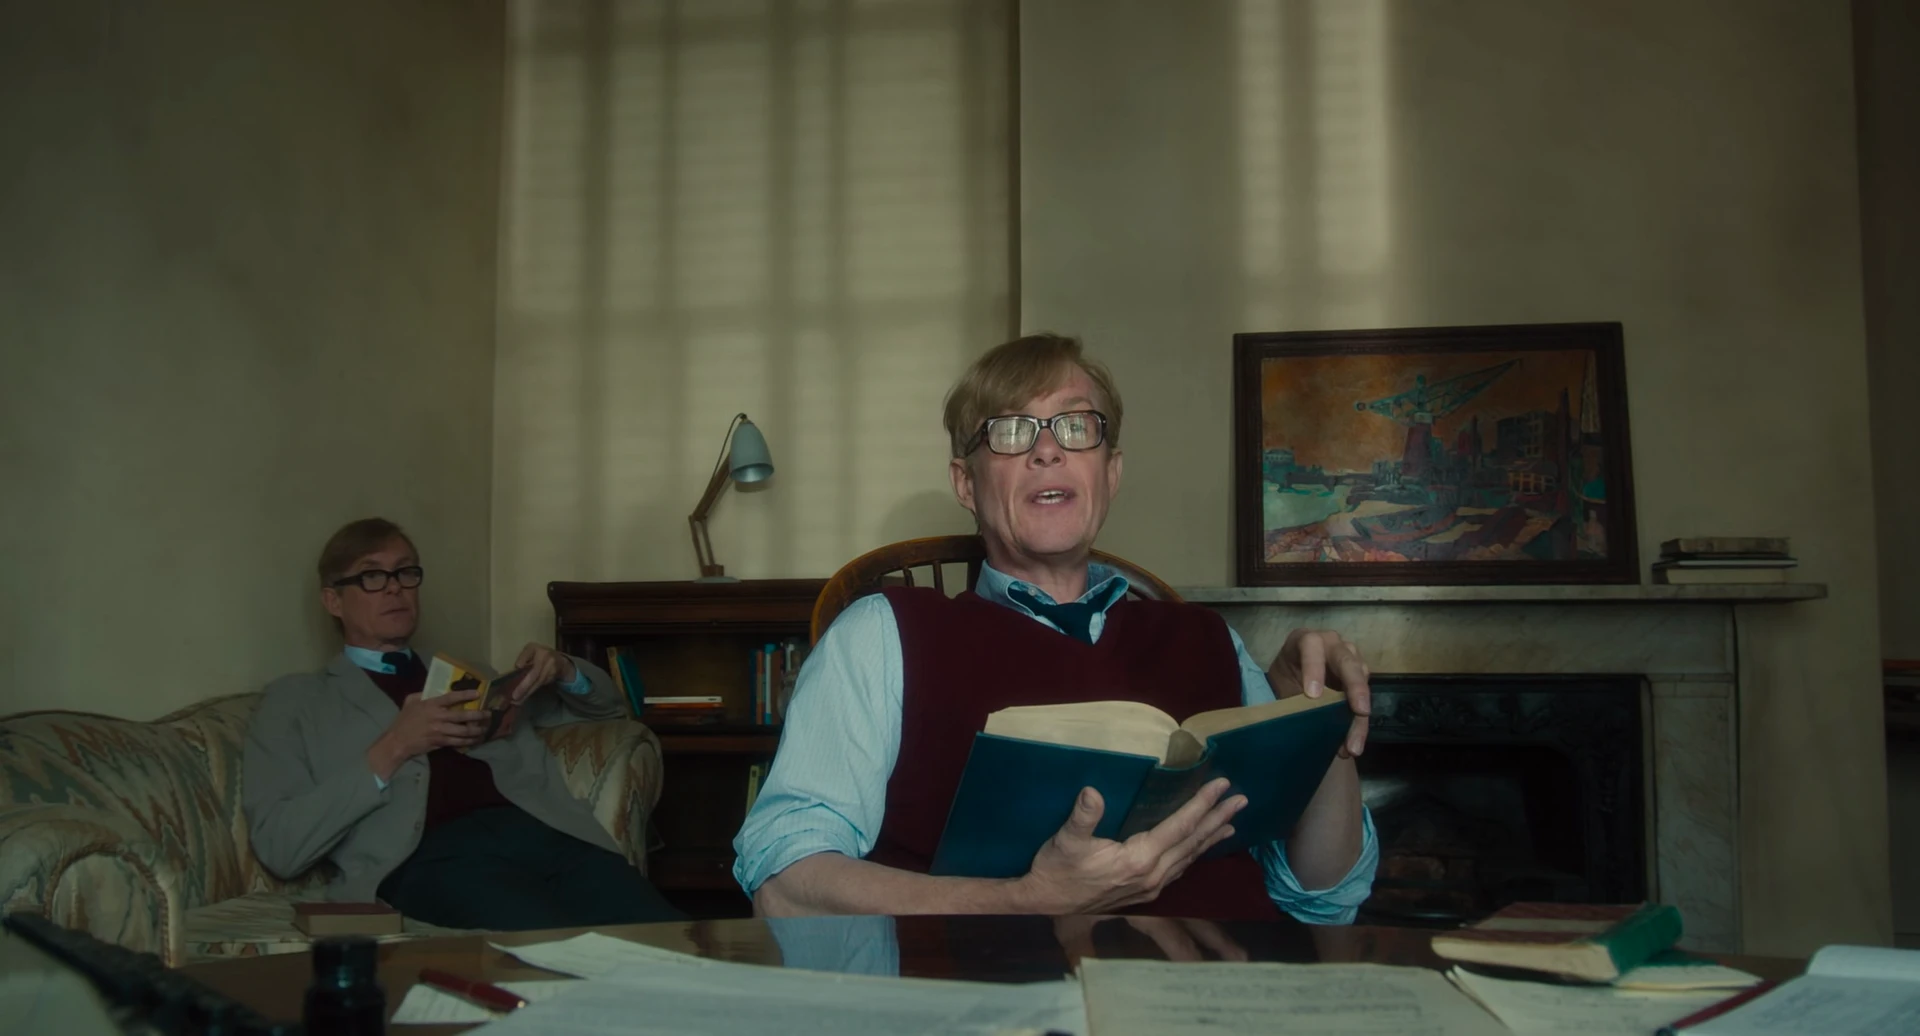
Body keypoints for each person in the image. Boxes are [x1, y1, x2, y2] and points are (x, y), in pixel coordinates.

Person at [734, 334, 1379, 922]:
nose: (1047, 449)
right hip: (987, 995)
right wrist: (1022, 901)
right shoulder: (882, 636)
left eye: (1076, 426)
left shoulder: (1210, 640)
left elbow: (1325, 895)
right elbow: (784, 885)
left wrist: (1315, 718)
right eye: (1011, 432)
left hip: (1221, 992)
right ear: (966, 483)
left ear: (1111, 473)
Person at [243, 517, 681, 929]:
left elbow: (607, 712)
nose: (394, 587)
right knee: (557, 949)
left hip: (547, 835)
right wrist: (396, 745)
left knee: (671, 940)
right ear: (333, 600)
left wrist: (565, 670)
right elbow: (281, 847)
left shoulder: (470, 675)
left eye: (405, 572)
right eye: (372, 576)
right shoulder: (295, 702)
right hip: (434, 859)